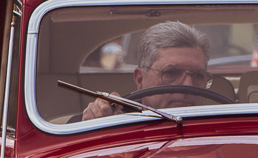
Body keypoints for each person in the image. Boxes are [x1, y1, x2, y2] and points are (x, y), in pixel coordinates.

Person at [81, 21, 213, 120]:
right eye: (171, 73)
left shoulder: (223, 128)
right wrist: (95, 126)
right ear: (140, 79)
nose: (188, 86)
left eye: (198, 76)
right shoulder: (110, 123)